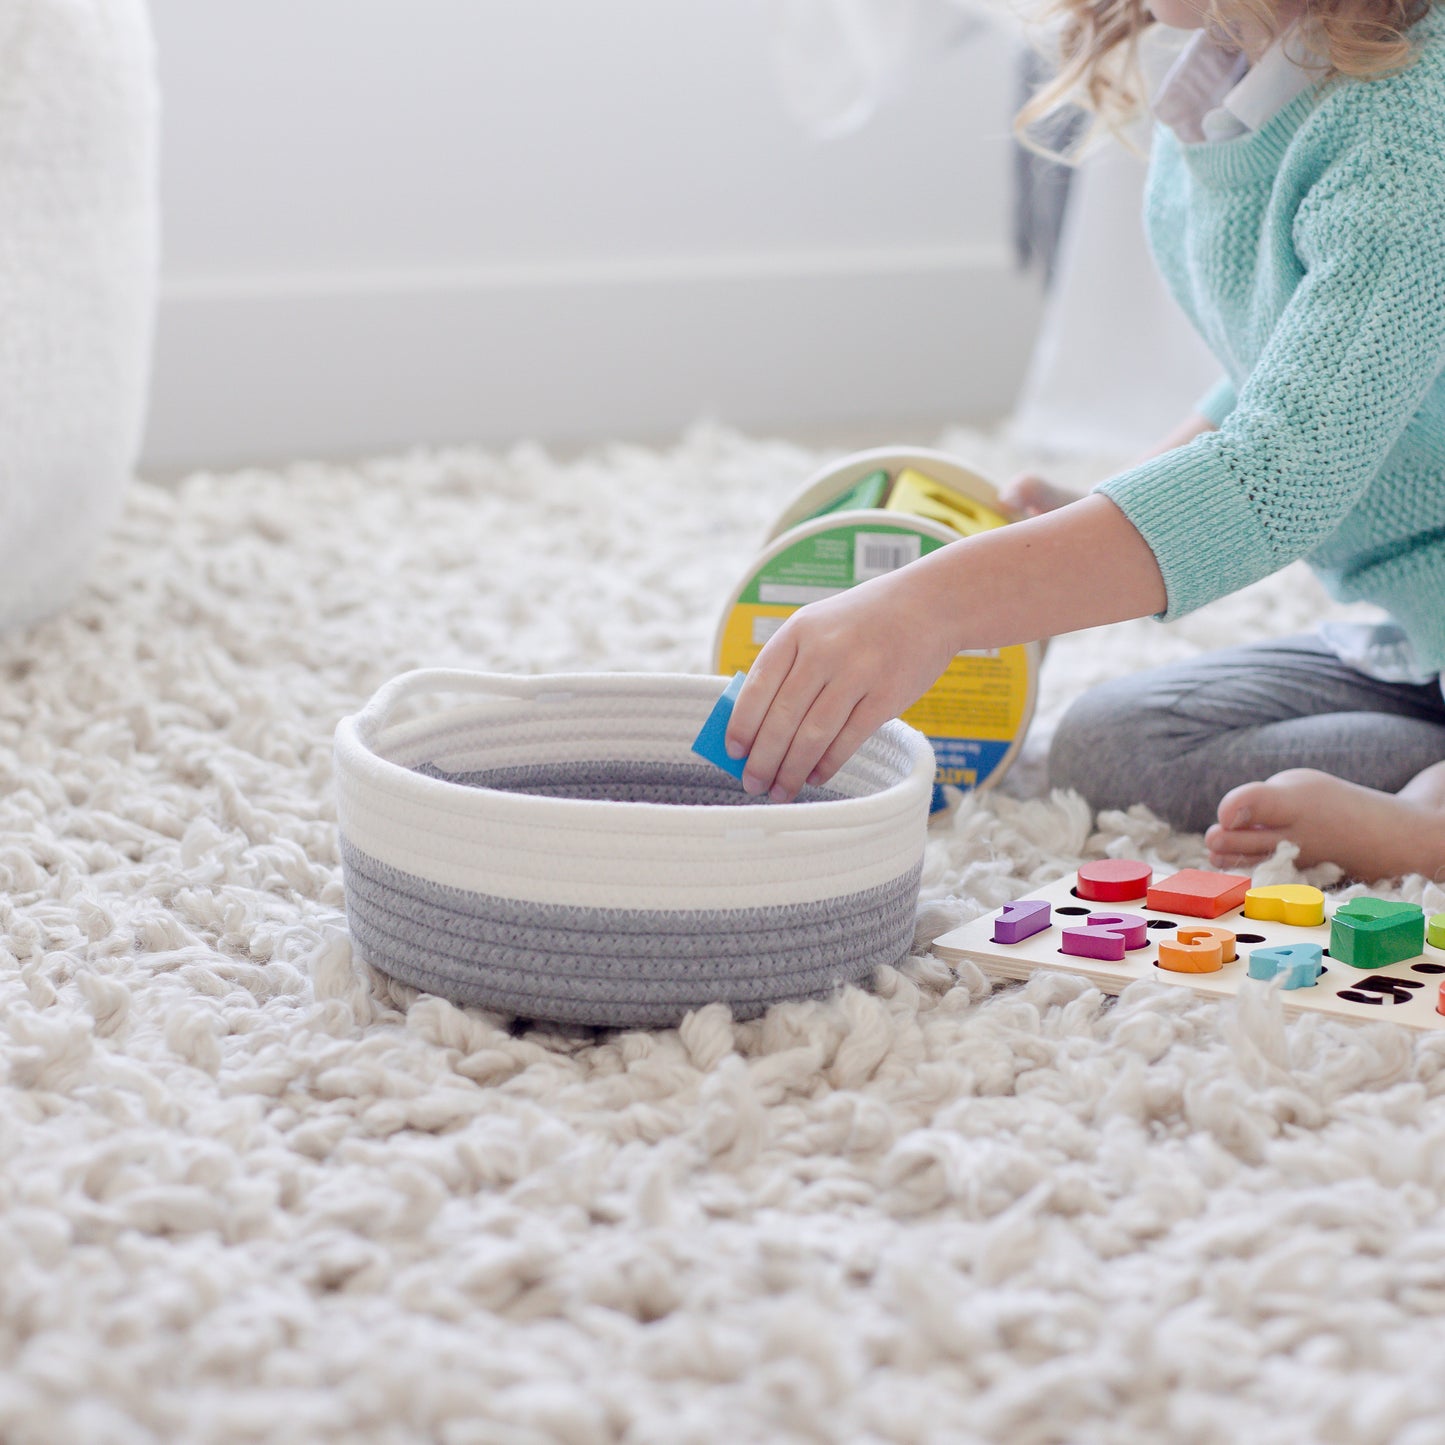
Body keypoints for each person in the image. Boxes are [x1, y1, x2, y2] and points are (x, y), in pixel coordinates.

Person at [724, 0, 1445, 882]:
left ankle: (1429, 828)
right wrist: (1094, 528)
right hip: (1418, 622)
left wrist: (929, 606)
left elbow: (1281, 473)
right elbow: (1283, 371)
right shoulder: (1227, 87)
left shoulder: (1410, 138)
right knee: (1116, 746)